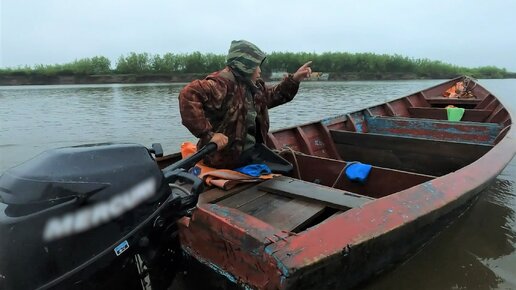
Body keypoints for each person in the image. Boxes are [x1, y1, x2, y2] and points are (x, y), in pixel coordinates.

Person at [178, 40, 312, 169]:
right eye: (256, 66)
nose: (259, 70)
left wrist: (294, 79)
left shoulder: (253, 85)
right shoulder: (219, 85)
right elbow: (188, 94)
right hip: (223, 159)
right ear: (245, 66)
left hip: (251, 153)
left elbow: (272, 96)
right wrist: (209, 135)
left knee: (288, 168)